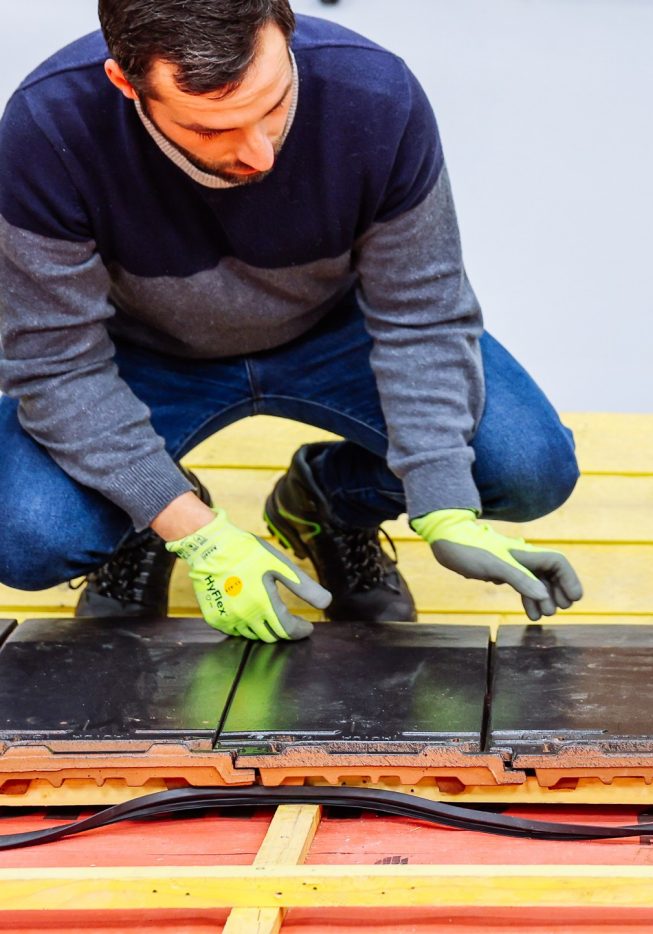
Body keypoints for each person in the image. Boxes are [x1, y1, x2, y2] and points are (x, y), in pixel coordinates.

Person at [0, 0, 584, 642]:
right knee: (26, 533)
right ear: (124, 84)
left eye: (272, 106)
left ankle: (326, 504)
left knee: (528, 468)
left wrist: (446, 506)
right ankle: (149, 511)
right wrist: (193, 532)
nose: (259, 155)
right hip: (141, 354)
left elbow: (422, 311)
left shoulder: (377, 95)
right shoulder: (45, 128)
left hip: (336, 334)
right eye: (209, 130)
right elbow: (55, 363)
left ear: (284, 30)